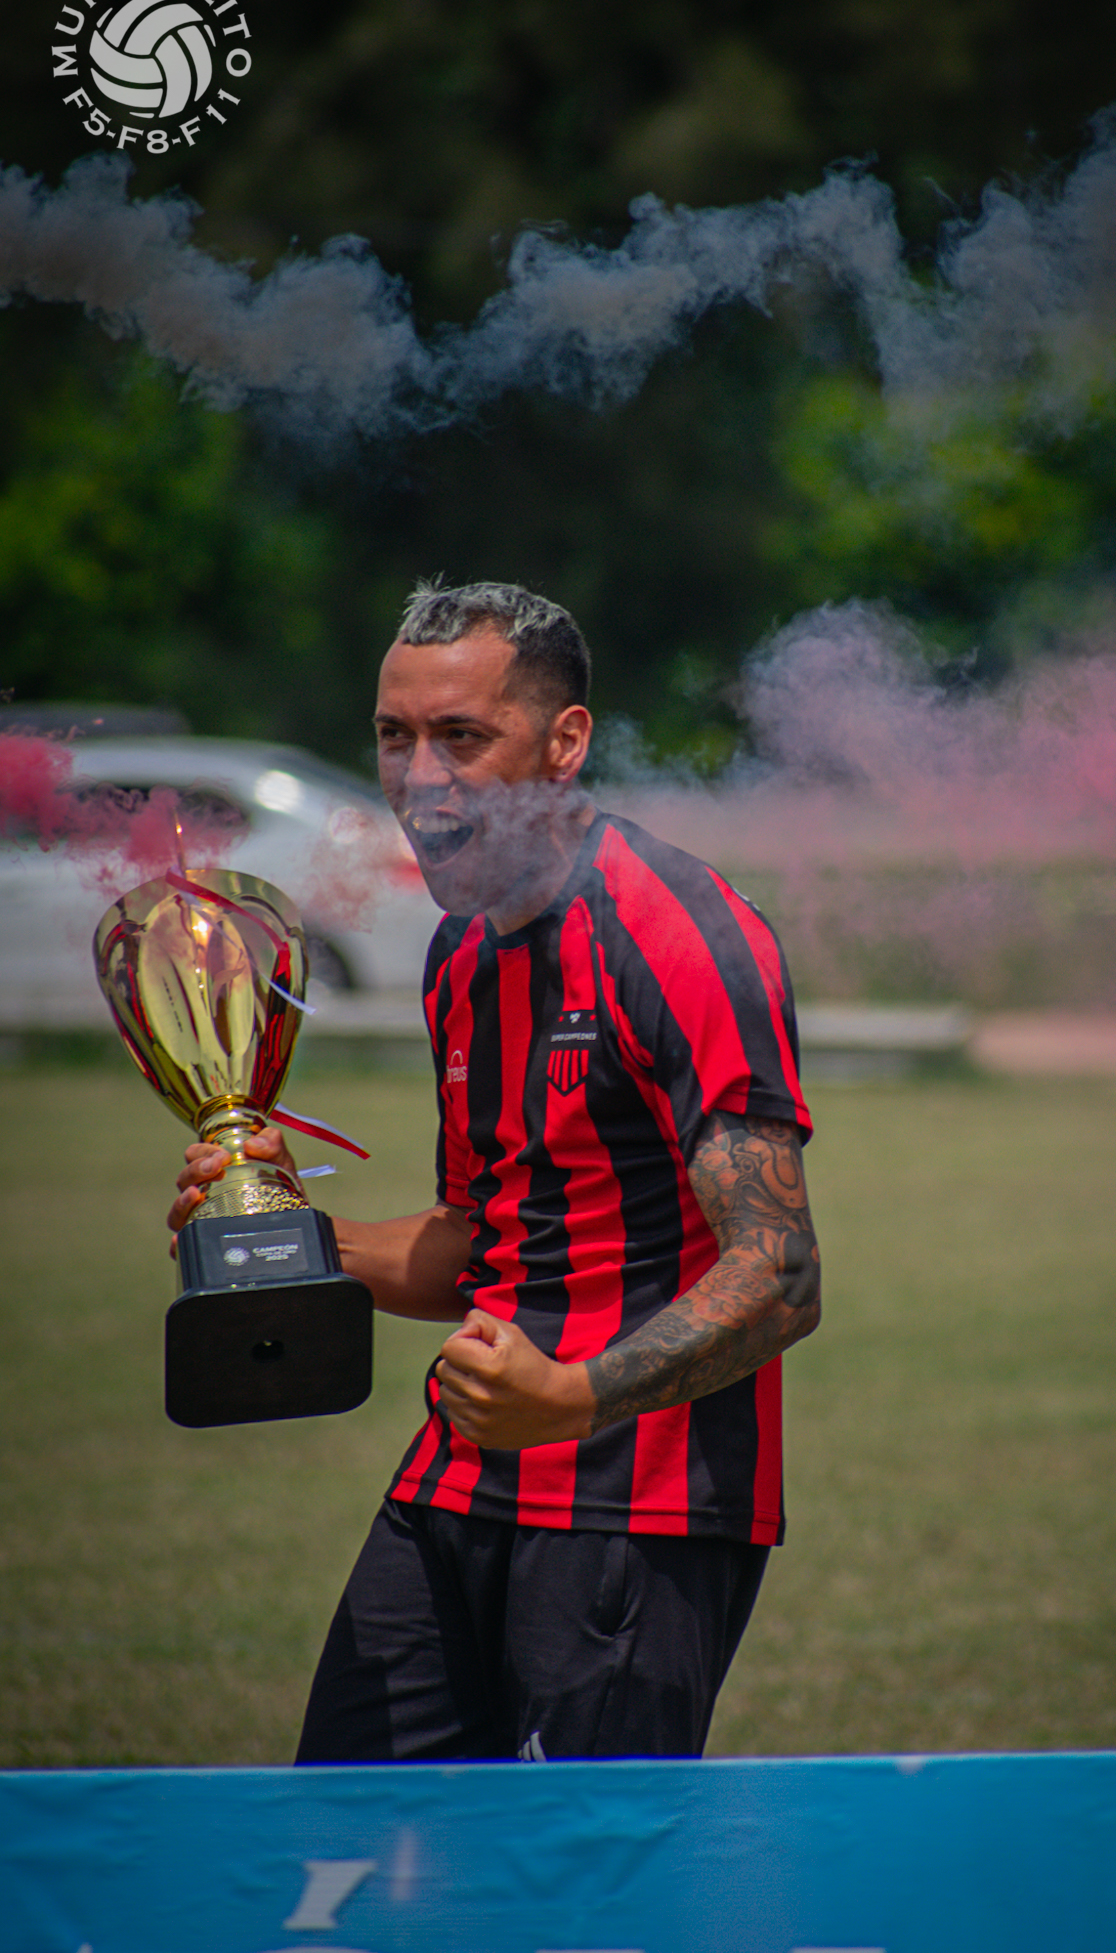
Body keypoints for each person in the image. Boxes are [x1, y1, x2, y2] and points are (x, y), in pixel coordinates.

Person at [169, 579, 820, 1762]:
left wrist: (569, 1397)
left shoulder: (677, 930)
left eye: (461, 736)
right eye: (394, 735)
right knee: (345, 1828)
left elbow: (778, 1273)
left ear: (564, 741)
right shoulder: (460, 949)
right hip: (460, 1476)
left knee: (571, 1870)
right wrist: (276, 1230)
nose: (419, 778)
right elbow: (487, 1239)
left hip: (633, 1503)